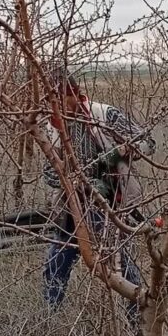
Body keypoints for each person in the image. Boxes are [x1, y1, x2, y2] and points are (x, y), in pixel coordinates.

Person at [41, 75, 155, 320]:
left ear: (74, 94)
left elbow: (147, 143)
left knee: (124, 269)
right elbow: (48, 173)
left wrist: (114, 158)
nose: (56, 106)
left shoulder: (104, 115)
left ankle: (138, 322)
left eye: (60, 99)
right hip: (72, 209)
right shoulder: (51, 128)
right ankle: (50, 321)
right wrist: (69, 180)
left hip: (112, 205)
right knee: (55, 265)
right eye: (51, 100)